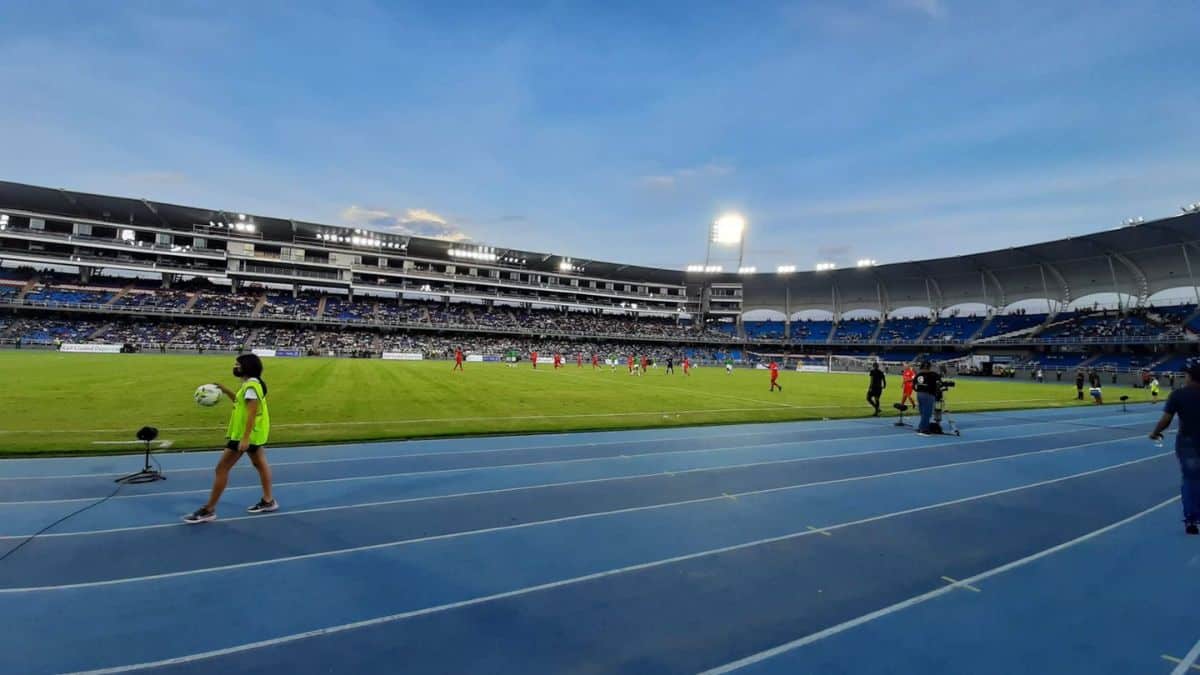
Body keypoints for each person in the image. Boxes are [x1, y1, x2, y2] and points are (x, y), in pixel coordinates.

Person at [185, 353, 276, 524]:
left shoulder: (250, 387)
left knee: (221, 469)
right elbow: (242, 404)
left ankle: (209, 510)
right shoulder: (253, 384)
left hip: (244, 435)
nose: (235, 367)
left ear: (247, 367)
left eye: (238, 364)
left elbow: (252, 412)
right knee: (260, 464)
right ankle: (268, 500)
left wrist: (245, 438)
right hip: (255, 434)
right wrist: (226, 391)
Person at [1149, 357, 1200, 535]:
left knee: (1190, 480)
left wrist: (1155, 432)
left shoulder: (1178, 394)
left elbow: (1166, 420)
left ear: (1189, 375)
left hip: (1188, 443)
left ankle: (1192, 520)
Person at [913, 361, 942, 435]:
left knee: (923, 412)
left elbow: (913, 385)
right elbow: (940, 383)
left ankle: (921, 427)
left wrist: (918, 390)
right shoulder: (933, 374)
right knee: (927, 413)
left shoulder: (919, 374)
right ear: (929, 367)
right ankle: (924, 429)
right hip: (929, 395)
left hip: (919, 394)